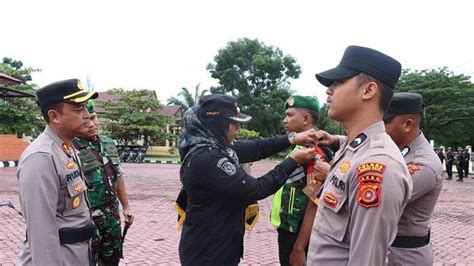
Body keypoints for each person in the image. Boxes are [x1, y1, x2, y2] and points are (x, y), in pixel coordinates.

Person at [177, 94, 319, 265]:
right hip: (208, 252)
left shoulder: (216, 146)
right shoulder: (207, 157)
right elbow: (256, 189)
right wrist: (292, 161)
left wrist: (292, 138)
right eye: (233, 122)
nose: (238, 127)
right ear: (217, 124)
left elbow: (257, 148)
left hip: (219, 244)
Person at [306, 45, 413, 265]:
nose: (329, 90)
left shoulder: (378, 167)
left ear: (368, 90)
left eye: (339, 82)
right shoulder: (353, 148)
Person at [17, 79, 98, 265]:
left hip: (74, 255)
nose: (87, 115)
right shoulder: (41, 157)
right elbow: (41, 233)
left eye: (85, 108)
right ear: (54, 116)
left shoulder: (66, 149)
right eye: (78, 110)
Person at [270, 95, 333, 266]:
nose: (285, 120)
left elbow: (314, 200)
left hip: (297, 232)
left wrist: (299, 248)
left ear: (306, 118)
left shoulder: (314, 152)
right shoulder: (300, 146)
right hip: (288, 227)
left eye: (290, 115)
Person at [383, 92, 443, 265]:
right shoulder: (397, 147)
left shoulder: (424, 164)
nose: (379, 128)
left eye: (385, 122)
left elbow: (378, 198)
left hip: (405, 256)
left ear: (408, 124)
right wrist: (335, 139)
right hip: (390, 249)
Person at [73, 100, 134, 265]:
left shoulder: (108, 143)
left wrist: (126, 206)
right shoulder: (71, 149)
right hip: (88, 223)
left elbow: (118, 175)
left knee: (112, 261)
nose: (92, 124)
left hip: (112, 219)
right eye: (86, 121)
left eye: (94, 118)